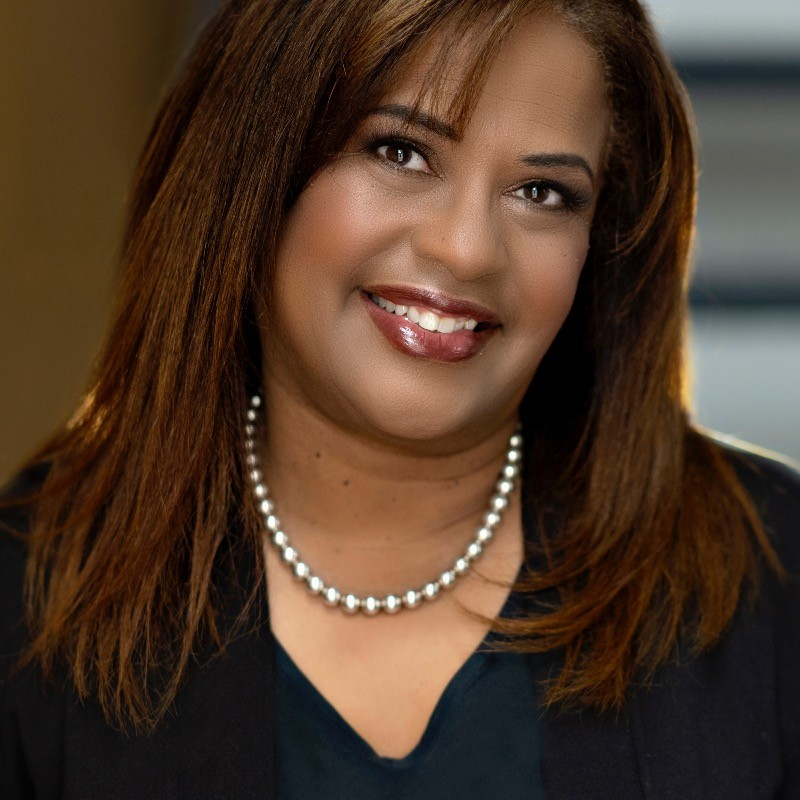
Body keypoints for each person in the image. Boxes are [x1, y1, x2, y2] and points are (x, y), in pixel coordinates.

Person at [1, 0, 799, 797]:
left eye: (542, 193)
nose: (466, 249)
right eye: (401, 151)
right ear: (254, 165)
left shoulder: (774, 578)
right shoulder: (23, 597)